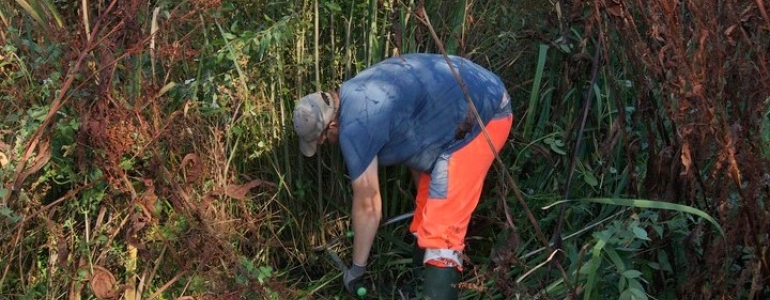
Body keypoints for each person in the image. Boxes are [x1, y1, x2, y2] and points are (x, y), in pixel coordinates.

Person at [292, 53, 513, 299]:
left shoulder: (355, 125)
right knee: (427, 210)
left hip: (484, 117)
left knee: (443, 228)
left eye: (323, 140)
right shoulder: (355, 91)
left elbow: (368, 205)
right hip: (462, 110)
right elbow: (414, 127)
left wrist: (356, 269)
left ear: (331, 126)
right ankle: (422, 287)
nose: (327, 145)